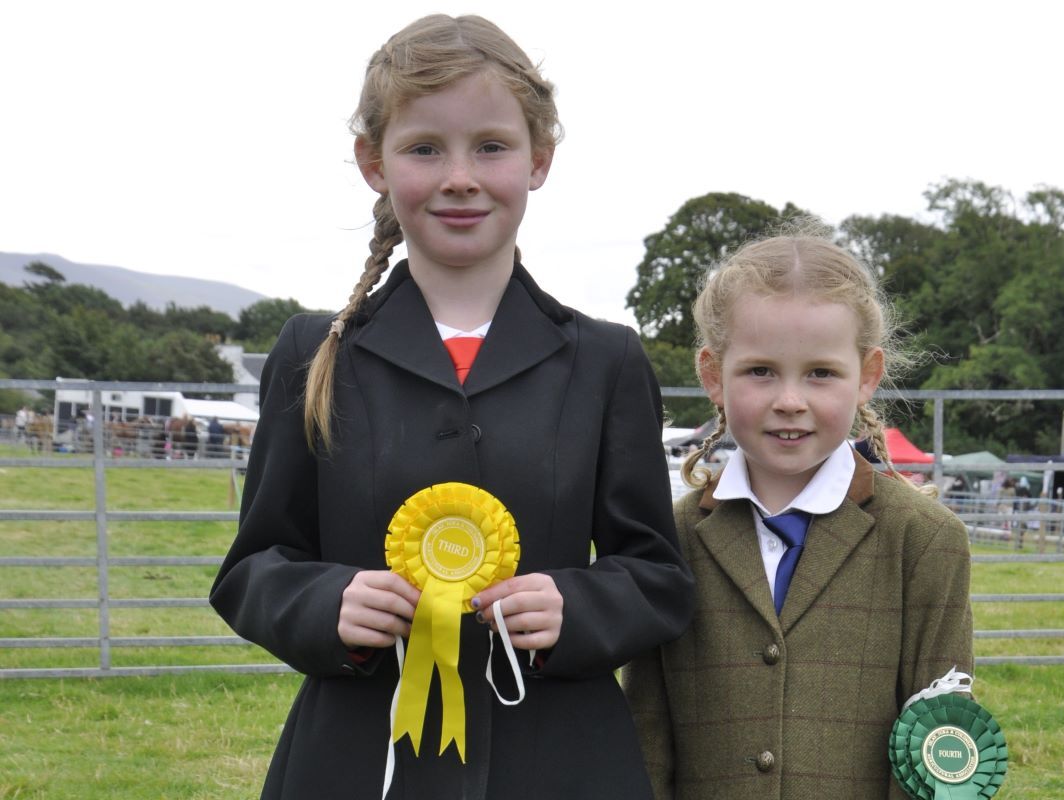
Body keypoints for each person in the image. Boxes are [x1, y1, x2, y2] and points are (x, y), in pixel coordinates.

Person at [209, 15, 693, 800]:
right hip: (357, 760)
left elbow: (658, 578)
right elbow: (255, 568)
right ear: (374, 163)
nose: (459, 176)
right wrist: (328, 601)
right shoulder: (311, 353)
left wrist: (579, 604)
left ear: (539, 160)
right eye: (424, 147)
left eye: (491, 147)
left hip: (562, 759)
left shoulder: (607, 361)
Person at [623, 228, 973, 799]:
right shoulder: (671, 538)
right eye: (761, 371)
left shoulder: (926, 540)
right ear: (713, 374)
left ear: (868, 375)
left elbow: (940, 745)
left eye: (821, 373)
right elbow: (646, 735)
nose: (790, 400)